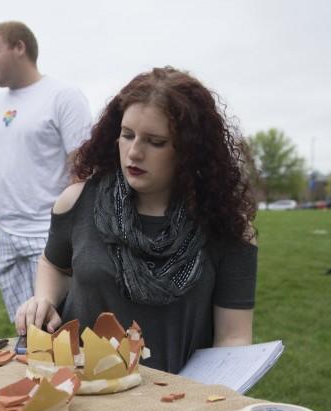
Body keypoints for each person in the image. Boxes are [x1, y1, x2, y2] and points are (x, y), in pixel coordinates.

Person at [15, 67, 258, 374]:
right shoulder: (76, 201)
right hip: (79, 392)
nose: (134, 152)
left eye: (155, 142)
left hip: (174, 405)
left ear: (189, 150)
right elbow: (55, 263)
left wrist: (210, 396)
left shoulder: (229, 229)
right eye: (127, 135)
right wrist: (44, 299)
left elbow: (234, 336)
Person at [0, 21, 91, 323]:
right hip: (7, 237)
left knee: (62, 331)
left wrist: (69, 233)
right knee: (26, 331)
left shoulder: (63, 96)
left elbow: (82, 168)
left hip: (48, 236)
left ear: (19, 47)